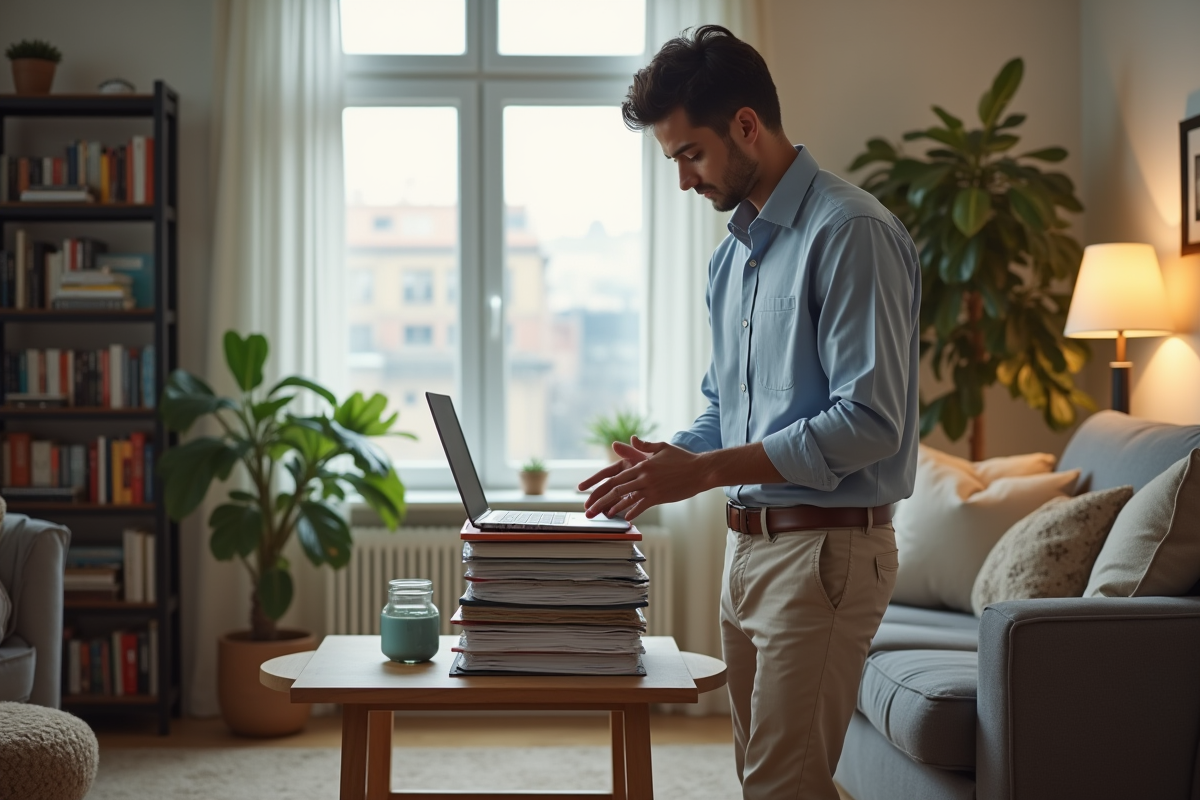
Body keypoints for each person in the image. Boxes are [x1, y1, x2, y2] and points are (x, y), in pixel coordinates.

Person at [578, 24, 920, 800]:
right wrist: (670, 459)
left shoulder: (851, 232)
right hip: (748, 554)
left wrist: (702, 470)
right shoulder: (730, 259)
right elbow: (725, 407)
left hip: (826, 556)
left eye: (689, 155)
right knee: (768, 782)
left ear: (745, 126)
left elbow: (868, 421)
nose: (683, 181)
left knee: (780, 787)